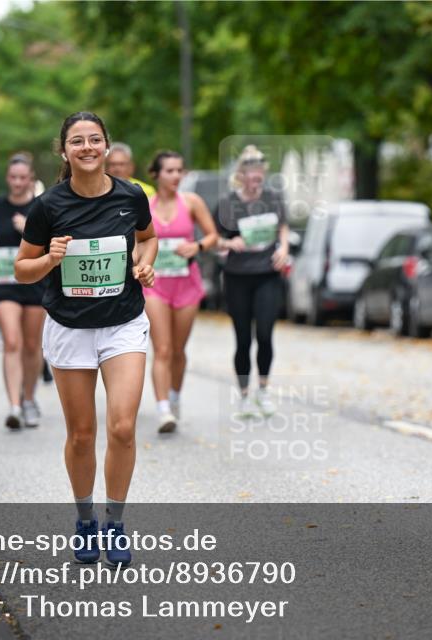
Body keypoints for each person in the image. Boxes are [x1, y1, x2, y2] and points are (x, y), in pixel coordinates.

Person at [15, 111, 156, 566]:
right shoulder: (48, 206)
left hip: (123, 323)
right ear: (64, 151)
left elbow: (148, 237)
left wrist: (144, 263)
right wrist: (49, 260)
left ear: (107, 146)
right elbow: (22, 269)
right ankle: (84, 520)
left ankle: (115, 522)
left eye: (95, 139)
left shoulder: (131, 196)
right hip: (70, 327)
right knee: (81, 435)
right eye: (77, 141)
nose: (87, 147)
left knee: (122, 427)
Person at [143, 150, 219, 432]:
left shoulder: (191, 202)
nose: (176, 176)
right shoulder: (145, 206)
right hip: (155, 286)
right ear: (156, 174)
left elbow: (213, 236)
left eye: (179, 170)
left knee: (178, 349)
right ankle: (163, 409)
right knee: (162, 348)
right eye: (170, 171)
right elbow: (136, 240)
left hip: (187, 284)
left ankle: (174, 396)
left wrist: (196, 246)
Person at [213, 145, 290, 417]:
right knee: (243, 339)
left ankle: (264, 391)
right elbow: (213, 238)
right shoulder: (227, 203)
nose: (256, 180)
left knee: (265, 335)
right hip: (237, 277)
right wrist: (228, 243)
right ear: (241, 176)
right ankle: (245, 395)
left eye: (260, 175)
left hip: (267, 274)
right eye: (251, 176)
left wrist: (283, 248)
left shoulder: (273, 198)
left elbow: (282, 226)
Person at [0, 152, 46, 430]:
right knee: (12, 342)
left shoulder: (41, 207)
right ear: (7, 178)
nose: (18, 182)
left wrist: (29, 230)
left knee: (32, 345)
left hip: (35, 283)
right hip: (5, 282)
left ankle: (29, 398)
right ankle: (13, 405)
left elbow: (53, 246)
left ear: (31, 178)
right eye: (13, 177)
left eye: (23, 177)